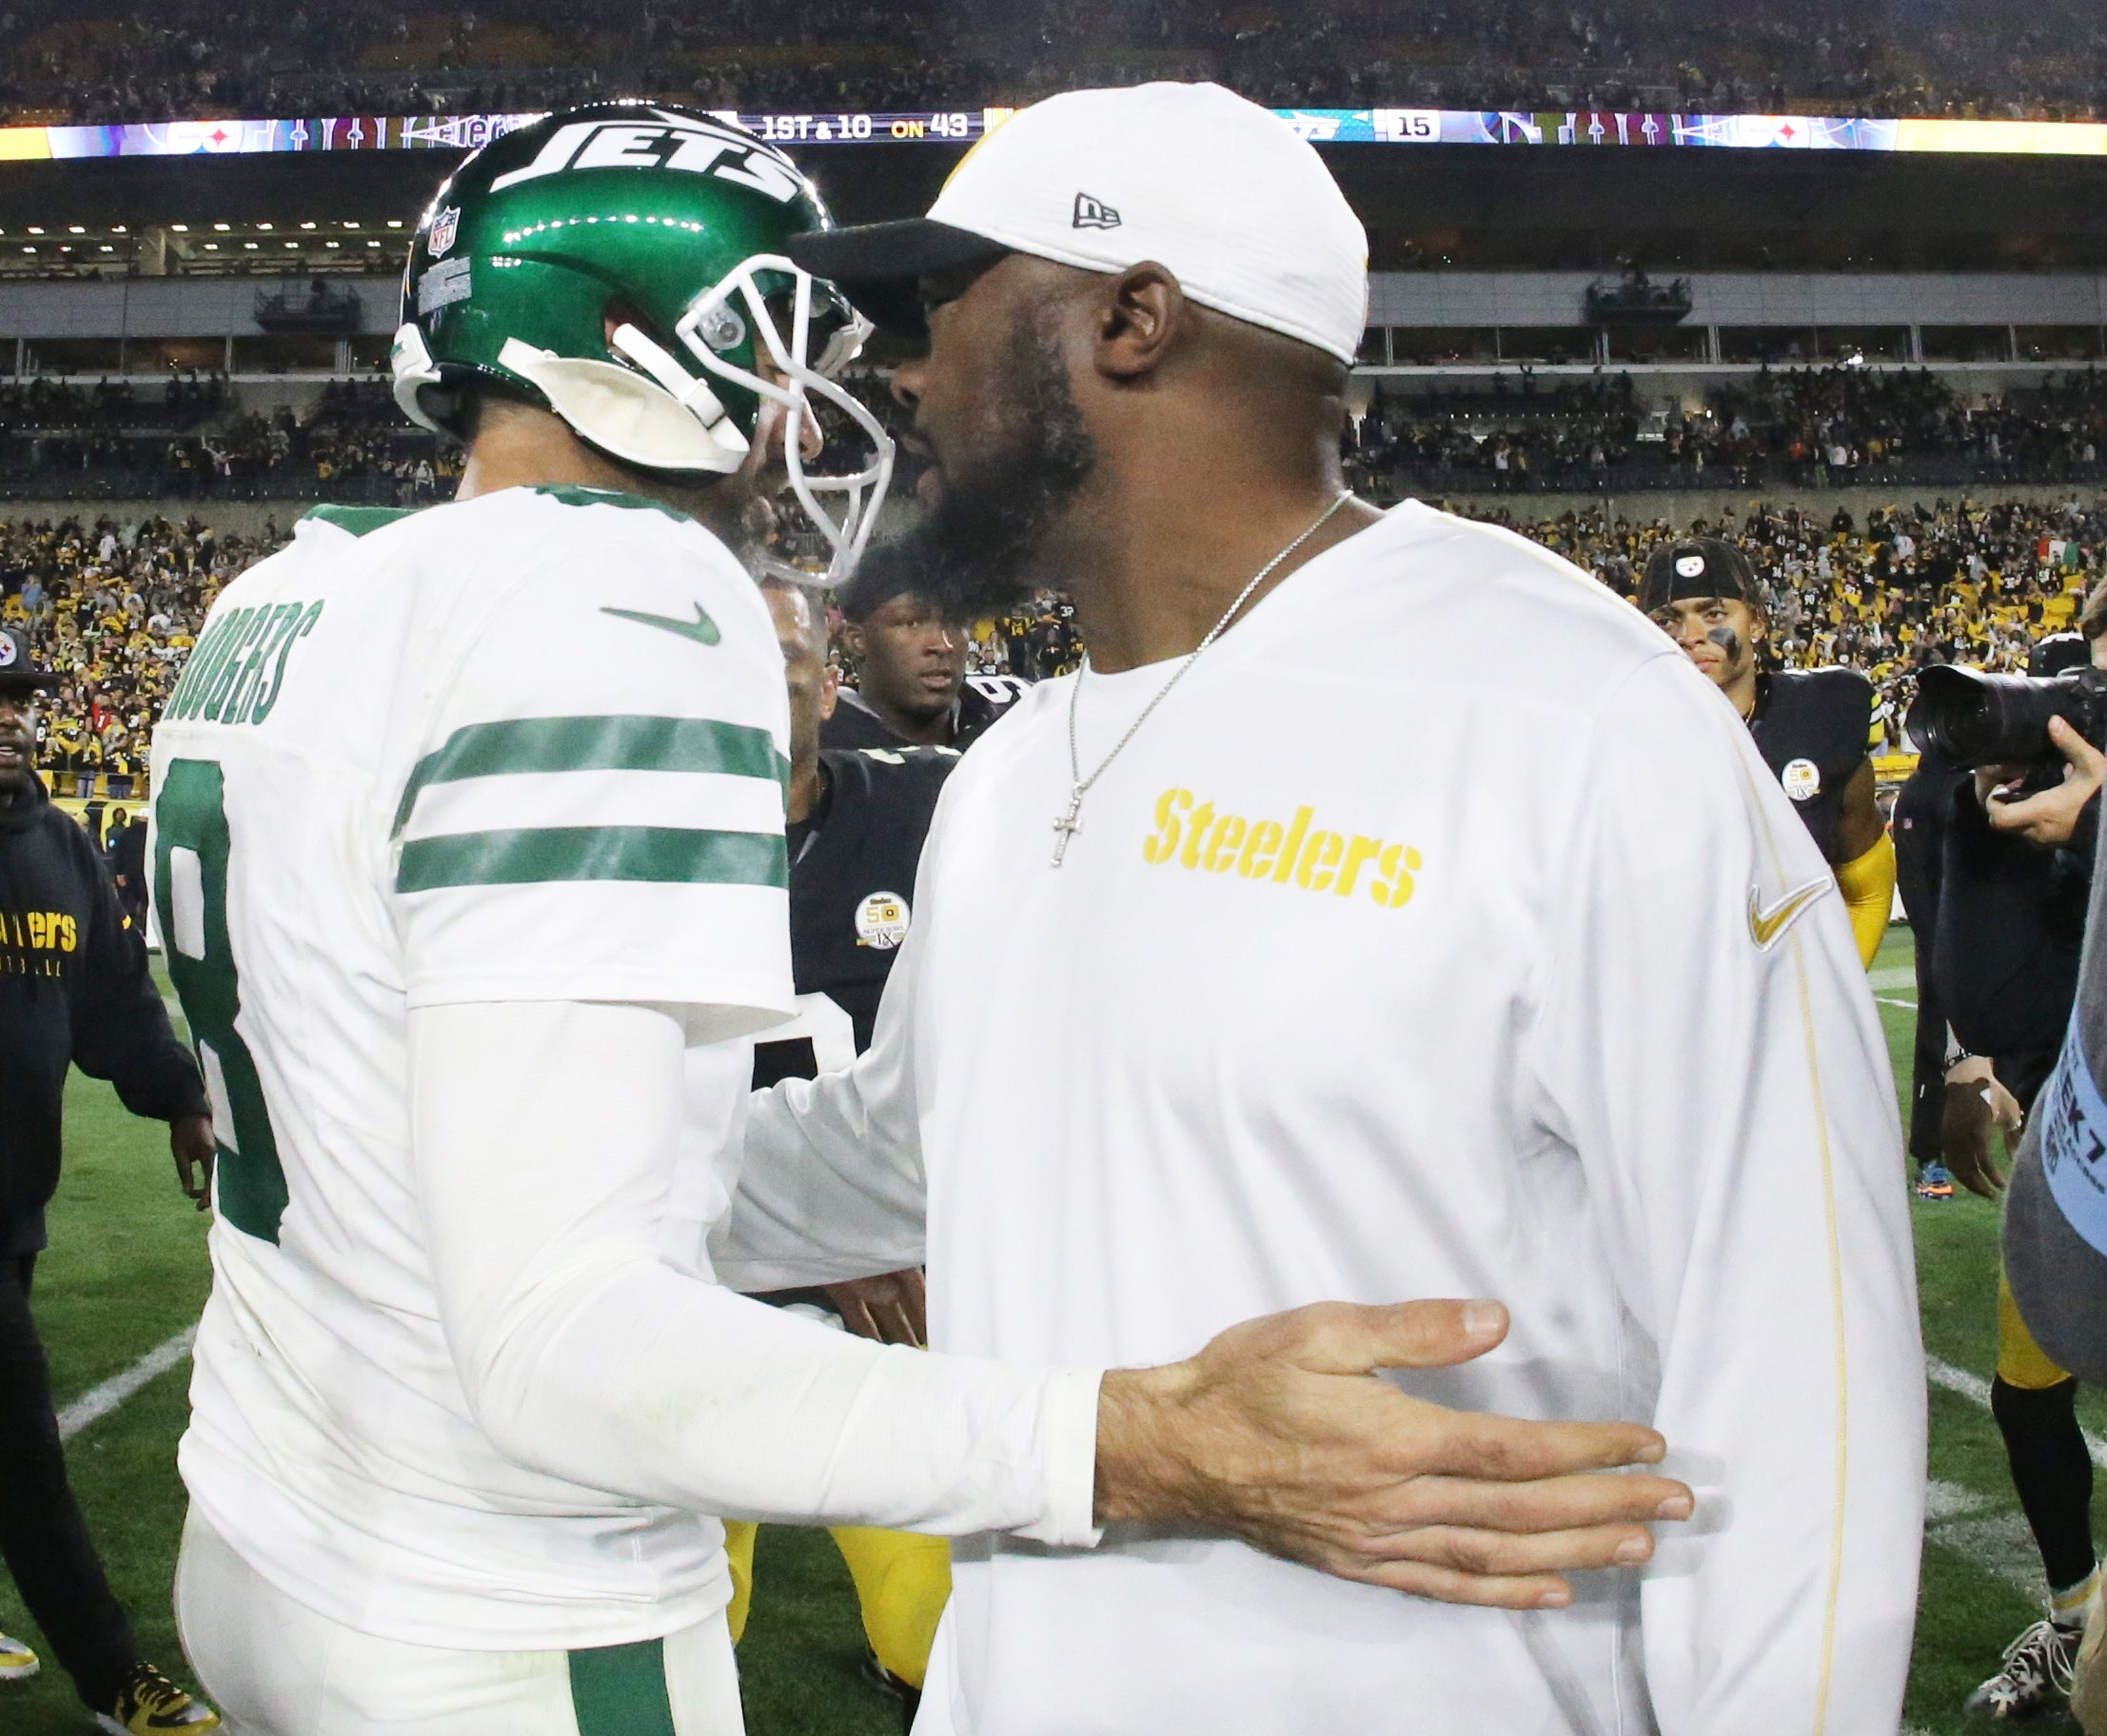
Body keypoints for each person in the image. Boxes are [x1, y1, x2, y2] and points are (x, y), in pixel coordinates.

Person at [154, 104, 1688, 1736]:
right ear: (619, 337)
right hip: (499, 1610)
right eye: (764, 338)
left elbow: (440, 1151)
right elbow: (557, 1340)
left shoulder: (294, 592)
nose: (806, 403)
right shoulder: (621, 599)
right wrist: (1136, 1437)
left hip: (267, 1527)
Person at [724, 80, 1922, 1731]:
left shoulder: (1564, 722)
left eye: (941, 307)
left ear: (1130, 318)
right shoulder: (1011, 769)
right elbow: (923, 1150)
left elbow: (1797, 1378)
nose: (901, 372)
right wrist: (495, 1157)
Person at [0, 623, 219, 1735]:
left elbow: (117, 1002)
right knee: (18, 1437)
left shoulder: (63, 845)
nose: (11, 716)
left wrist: (175, 1094)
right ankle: (114, 1672)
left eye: (22, 696)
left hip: (6, 1191)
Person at [720, 574, 959, 1712]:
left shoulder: (934, 809)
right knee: (675, 1630)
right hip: (687, 1302)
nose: (766, 684)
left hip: (885, 1313)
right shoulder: (613, 848)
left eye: (782, 655)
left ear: (825, 669)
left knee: (941, 1638)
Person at [1914, 621, 2106, 1717]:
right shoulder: (2026, 799)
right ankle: (2077, 1615)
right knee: (2030, 1390)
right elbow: (1984, 979)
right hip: (2076, 1134)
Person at [1637, 536, 1897, 967]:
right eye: (1668, 620)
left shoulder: (1820, 719)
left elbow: (1866, 888)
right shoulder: (1616, 743)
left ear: (1756, 622)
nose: (1691, 636)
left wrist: (1832, 989)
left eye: (1714, 613)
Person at [821, 555, 1016, 752]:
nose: (943, 645)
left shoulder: (1010, 733)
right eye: (912, 623)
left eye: (956, 621)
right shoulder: (816, 748)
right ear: (856, 640)